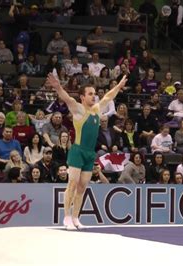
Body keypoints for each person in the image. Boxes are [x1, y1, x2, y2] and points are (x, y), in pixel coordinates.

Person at [46, 72, 127, 230]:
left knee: (83, 186)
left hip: (90, 153)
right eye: (90, 94)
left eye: (94, 94)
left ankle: (76, 217)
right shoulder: (78, 110)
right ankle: (67, 217)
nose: (94, 97)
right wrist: (57, 87)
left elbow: (109, 97)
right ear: (82, 97)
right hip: (78, 151)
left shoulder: (97, 109)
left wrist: (118, 86)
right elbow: (67, 98)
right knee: (73, 183)